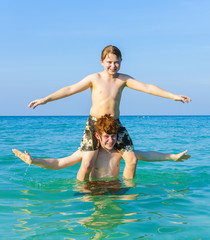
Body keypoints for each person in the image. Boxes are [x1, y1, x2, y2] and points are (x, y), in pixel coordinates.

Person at [27, 45, 191, 181]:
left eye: (116, 62)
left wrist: (173, 96)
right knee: (87, 161)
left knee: (132, 159)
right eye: (109, 62)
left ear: (121, 62)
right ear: (101, 62)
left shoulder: (123, 79)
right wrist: (46, 99)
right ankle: (82, 190)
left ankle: (126, 190)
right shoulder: (94, 78)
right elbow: (70, 89)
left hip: (114, 124)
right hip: (94, 123)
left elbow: (147, 87)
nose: (113, 66)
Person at [12, 114, 190, 181]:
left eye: (113, 136)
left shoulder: (120, 152)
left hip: (115, 188)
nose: (111, 140)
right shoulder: (89, 153)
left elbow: (149, 155)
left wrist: (173, 157)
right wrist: (33, 161)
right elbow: (59, 163)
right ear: (97, 136)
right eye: (106, 137)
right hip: (92, 190)